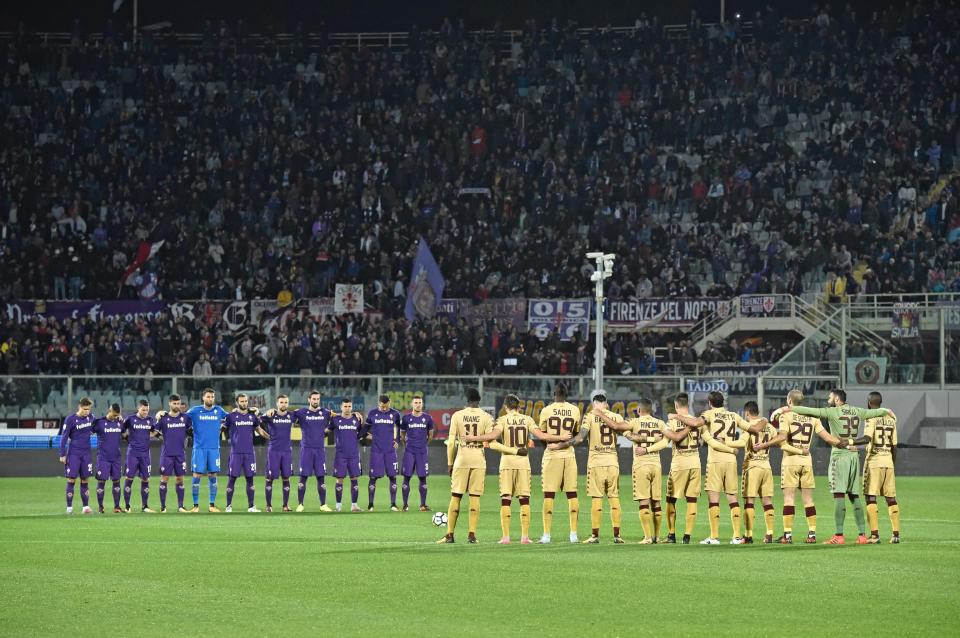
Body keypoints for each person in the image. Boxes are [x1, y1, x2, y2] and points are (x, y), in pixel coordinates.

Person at [783, 388, 893, 544]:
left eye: (830, 397)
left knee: (839, 495)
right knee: (854, 495)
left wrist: (785, 408)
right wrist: (887, 410)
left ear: (836, 399)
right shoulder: (857, 411)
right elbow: (875, 413)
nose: (828, 400)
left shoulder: (832, 412)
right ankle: (862, 535)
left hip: (839, 457)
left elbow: (808, 410)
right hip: (854, 456)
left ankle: (839, 535)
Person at [672, 391, 766, 544]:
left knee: (713, 499)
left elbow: (695, 423)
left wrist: (676, 416)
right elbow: (755, 429)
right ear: (723, 402)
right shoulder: (734, 416)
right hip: (731, 461)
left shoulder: (708, 414)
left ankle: (714, 537)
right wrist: (765, 420)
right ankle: (736, 536)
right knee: (732, 498)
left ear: (710, 403)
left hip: (715, 460)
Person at [764, 390, 842, 543]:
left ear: (789, 401)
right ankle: (812, 534)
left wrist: (765, 444)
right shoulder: (812, 417)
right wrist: (845, 443)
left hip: (791, 461)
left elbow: (782, 439)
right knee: (808, 499)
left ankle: (787, 535)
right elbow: (827, 437)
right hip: (806, 461)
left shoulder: (786, 416)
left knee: (789, 498)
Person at [549, 391, 627, 544]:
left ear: (594, 404)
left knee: (597, 499)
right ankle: (617, 536)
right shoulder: (616, 417)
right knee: (614, 498)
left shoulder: (590, 416)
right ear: (606, 403)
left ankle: (595, 535)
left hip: (596, 463)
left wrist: (560, 445)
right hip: (612, 461)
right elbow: (624, 431)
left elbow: (580, 438)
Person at [461, 394, 533, 544]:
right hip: (523, 463)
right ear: (519, 406)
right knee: (524, 500)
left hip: (507, 463)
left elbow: (492, 440)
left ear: (505, 407)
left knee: (506, 500)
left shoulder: (502, 420)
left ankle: (506, 537)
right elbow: (539, 435)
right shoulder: (527, 420)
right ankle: (525, 537)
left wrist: (473, 438)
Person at [606, 398, 670, 544]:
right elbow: (666, 441)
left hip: (641, 465)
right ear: (651, 410)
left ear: (639, 410)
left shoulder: (634, 422)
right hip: (656, 464)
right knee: (657, 502)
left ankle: (647, 537)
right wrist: (652, 442)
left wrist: (639, 443)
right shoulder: (660, 423)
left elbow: (624, 431)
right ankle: (657, 537)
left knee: (644, 501)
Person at [437, 387, 494, 544]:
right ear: (479, 400)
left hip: (461, 459)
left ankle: (449, 534)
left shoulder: (458, 415)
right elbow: (490, 437)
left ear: (466, 400)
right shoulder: (486, 417)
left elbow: (451, 442)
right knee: (475, 497)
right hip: (478, 460)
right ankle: (472, 535)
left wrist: (450, 462)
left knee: (456, 496)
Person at [530, 382, 580, 543]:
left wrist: (551, 446)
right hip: (569, 456)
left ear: (554, 394)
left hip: (552, 456)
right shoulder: (574, 410)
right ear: (567, 394)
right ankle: (573, 534)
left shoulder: (546, 410)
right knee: (572, 494)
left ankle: (546, 535)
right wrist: (563, 443)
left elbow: (542, 435)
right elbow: (576, 437)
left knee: (549, 494)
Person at [852, 392, 901, 544]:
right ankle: (896, 535)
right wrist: (892, 463)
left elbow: (867, 438)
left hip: (874, 461)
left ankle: (874, 535)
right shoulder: (891, 419)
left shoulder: (870, 417)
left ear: (868, 402)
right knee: (891, 498)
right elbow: (894, 445)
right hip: (888, 461)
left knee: (870, 496)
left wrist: (850, 442)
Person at [180, 388, 229, 512]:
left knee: (213, 475)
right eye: (208, 396)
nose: (210, 399)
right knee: (197, 475)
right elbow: (179, 417)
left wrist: (251, 411)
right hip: (199, 448)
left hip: (214, 448)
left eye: (212, 397)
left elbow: (233, 417)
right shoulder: (195, 411)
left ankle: (212, 505)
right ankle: (195, 506)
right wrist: (162, 414)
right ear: (203, 398)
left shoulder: (219, 410)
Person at [738, 401, 780, 543]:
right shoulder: (768, 426)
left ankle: (748, 535)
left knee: (749, 501)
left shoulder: (748, 427)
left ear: (747, 413)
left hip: (752, 466)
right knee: (767, 501)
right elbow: (778, 440)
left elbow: (741, 443)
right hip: (766, 467)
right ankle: (769, 534)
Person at [663, 394, 699, 544]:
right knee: (692, 500)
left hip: (679, 465)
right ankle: (687, 536)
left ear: (676, 406)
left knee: (671, 499)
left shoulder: (672, 421)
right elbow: (708, 439)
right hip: (695, 463)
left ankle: (671, 535)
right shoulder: (696, 421)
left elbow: (666, 440)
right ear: (688, 404)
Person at [290, 390, 333, 512]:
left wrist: (356, 413)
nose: (315, 401)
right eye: (313, 399)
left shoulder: (326, 413)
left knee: (321, 477)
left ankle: (323, 504)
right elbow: (285, 415)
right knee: (303, 477)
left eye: (317, 399)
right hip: (306, 449)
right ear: (309, 400)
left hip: (320, 449)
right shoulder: (301, 412)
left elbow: (340, 417)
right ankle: (300, 504)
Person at [222, 393, 262, 513]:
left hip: (249, 453)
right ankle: (228, 506)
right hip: (236, 453)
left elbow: (259, 431)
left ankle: (251, 506)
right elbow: (222, 429)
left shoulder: (252, 417)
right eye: (242, 401)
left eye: (245, 401)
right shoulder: (231, 416)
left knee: (250, 479)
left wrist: (271, 438)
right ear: (237, 402)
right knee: (232, 479)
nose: (244, 403)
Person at [364, 394, 403, 512]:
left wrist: (397, 440)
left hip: (390, 451)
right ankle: (370, 505)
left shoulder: (395, 414)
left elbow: (399, 428)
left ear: (389, 403)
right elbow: (365, 428)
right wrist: (362, 435)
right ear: (379, 404)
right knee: (373, 477)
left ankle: (393, 504)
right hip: (376, 451)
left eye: (386, 406)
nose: (384, 408)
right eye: (382, 406)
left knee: (393, 477)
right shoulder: (372, 413)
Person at [59, 397, 96, 514]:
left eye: (89, 409)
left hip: (86, 454)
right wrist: (62, 454)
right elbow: (64, 438)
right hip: (74, 453)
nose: (87, 411)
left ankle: (85, 507)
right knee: (71, 479)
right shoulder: (70, 419)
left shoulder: (91, 417)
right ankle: (69, 508)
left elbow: (98, 427)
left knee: (85, 480)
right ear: (79, 407)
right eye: (85, 409)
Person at [155, 395, 191, 513]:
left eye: (178, 403)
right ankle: (163, 507)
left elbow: (191, 431)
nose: (177, 406)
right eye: (175, 403)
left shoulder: (185, 418)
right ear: (169, 404)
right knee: (164, 478)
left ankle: (181, 506)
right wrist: (162, 437)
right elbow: (153, 431)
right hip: (167, 454)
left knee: (180, 479)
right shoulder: (163, 418)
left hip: (180, 454)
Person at [399, 394, 434, 511]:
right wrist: (407, 445)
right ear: (412, 404)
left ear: (422, 404)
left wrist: (423, 445)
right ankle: (405, 505)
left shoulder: (428, 418)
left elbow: (430, 435)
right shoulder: (406, 418)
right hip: (409, 452)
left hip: (422, 452)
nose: (418, 405)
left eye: (419, 403)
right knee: (406, 477)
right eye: (416, 403)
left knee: (423, 478)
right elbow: (402, 435)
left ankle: (423, 505)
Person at [121, 399, 158, 513]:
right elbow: (122, 430)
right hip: (133, 454)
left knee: (145, 479)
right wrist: (128, 439)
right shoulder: (130, 419)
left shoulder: (150, 420)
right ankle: (127, 506)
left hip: (145, 454)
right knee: (129, 478)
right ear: (138, 408)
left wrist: (149, 437)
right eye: (143, 410)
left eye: (147, 410)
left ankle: (145, 506)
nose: (145, 412)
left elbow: (154, 432)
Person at [260, 395, 295, 512]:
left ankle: (285, 505)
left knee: (286, 478)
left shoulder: (291, 415)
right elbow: (256, 421)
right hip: (273, 451)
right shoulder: (270, 415)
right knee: (270, 478)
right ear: (277, 404)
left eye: (285, 402)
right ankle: (268, 506)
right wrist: (266, 435)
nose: (283, 404)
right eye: (281, 402)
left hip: (286, 451)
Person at [329, 399, 364, 512]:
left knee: (354, 479)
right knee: (339, 480)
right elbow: (327, 431)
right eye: (345, 406)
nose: (347, 408)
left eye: (349, 406)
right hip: (341, 455)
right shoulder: (335, 419)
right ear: (341, 407)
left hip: (354, 454)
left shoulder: (357, 419)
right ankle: (338, 506)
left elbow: (362, 433)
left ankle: (354, 505)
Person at [93, 403, 124, 513]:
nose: (116, 417)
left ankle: (117, 506)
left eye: (117, 415)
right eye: (114, 415)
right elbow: (88, 431)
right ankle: (101, 507)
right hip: (103, 457)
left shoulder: (120, 423)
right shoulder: (99, 423)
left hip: (116, 457)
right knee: (102, 481)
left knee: (116, 481)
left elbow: (125, 435)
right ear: (109, 410)